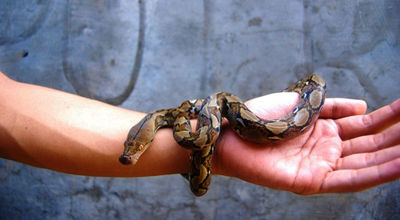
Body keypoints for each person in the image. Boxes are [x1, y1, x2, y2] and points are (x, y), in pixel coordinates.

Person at [0, 71, 399, 195]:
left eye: (134, 148)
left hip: (206, 118)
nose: (131, 153)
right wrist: (210, 146)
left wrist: (204, 141)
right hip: (204, 120)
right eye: (134, 149)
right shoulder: (183, 127)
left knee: (198, 183)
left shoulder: (184, 127)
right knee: (199, 185)